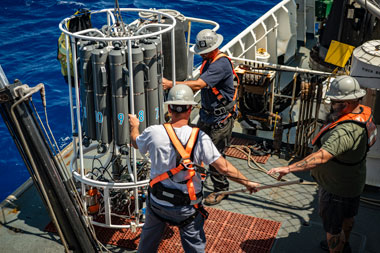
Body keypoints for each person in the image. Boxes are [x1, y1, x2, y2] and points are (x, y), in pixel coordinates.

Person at [129, 84, 259, 253]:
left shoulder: (154, 132)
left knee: (147, 244)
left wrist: (134, 126)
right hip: (187, 208)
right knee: (195, 248)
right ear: (190, 109)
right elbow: (224, 168)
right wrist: (247, 182)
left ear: (169, 108)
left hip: (158, 203)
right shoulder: (200, 138)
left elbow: (135, 142)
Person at [267, 75, 377, 253]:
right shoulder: (363, 113)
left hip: (336, 189)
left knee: (333, 228)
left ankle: (335, 247)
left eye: (334, 101)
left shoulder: (345, 132)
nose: (331, 105)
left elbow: (321, 157)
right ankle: (345, 244)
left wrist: (288, 168)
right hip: (353, 181)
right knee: (348, 218)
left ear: (346, 103)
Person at [162, 29, 239, 206]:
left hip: (220, 120)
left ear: (213, 48)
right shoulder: (209, 61)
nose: (201, 54)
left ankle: (221, 189)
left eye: (204, 51)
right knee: (193, 147)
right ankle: (194, 179)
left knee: (214, 156)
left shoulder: (220, 65)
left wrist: (170, 85)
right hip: (207, 115)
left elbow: (199, 84)